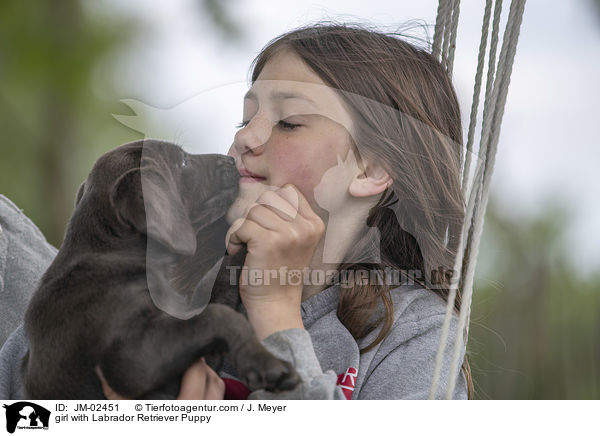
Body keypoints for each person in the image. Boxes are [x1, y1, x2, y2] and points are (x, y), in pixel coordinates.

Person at [0, 22, 474, 400]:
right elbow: (25, 389)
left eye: (288, 123)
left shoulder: (416, 335)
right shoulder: (163, 261)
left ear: (370, 168)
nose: (246, 137)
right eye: (244, 119)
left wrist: (275, 310)